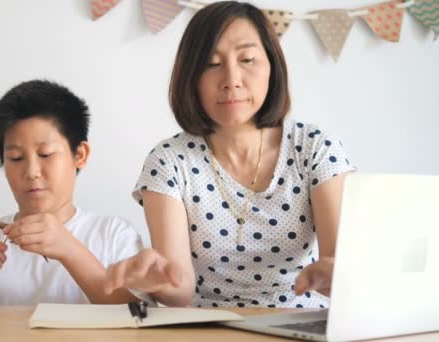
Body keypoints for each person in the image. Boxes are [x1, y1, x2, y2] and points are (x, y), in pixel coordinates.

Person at [103, 1, 355, 308]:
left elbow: (338, 265)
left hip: (302, 323)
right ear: (190, 77)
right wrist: (158, 280)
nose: (231, 79)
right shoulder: (168, 162)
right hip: (210, 328)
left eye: (247, 59)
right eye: (212, 63)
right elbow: (179, 291)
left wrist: (339, 275)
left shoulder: (315, 148)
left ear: (272, 66)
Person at [0, 80, 142, 305]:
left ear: (79, 154)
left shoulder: (114, 236)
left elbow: (141, 323)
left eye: (45, 154)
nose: (32, 172)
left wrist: (70, 250)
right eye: (15, 158)